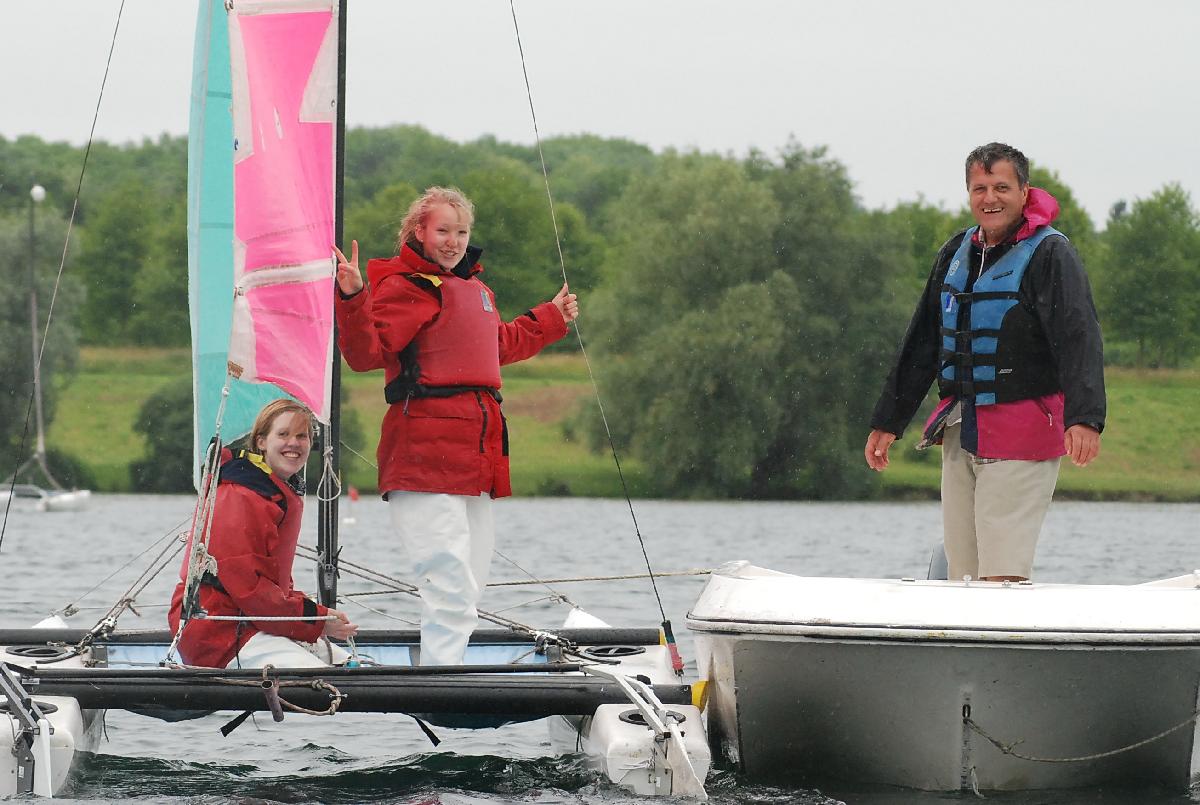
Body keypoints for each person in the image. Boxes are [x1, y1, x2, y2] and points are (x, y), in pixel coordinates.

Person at [333, 186, 578, 665]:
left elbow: (498, 344)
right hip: (423, 456)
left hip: (475, 457)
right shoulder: (404, 287)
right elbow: (364, 353)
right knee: (448, 580)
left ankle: (446, 669)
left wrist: (551, 317)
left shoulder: (475, 290)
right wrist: (353, 294)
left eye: (461, 232)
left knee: (470, 581)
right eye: (443, 231)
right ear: (418, 232)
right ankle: (443, 677)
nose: (453, 242)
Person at [865, 142, 1105, 583]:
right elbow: (922, 342)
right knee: (964, 578)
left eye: (1001, 187)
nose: (990, 198)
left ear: (1024, 191)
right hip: (963, 427)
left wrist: (1085, 417)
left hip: (1024, 431)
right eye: (980, 189)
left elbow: (1079, 338)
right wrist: (888, 420)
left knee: (1001, 577)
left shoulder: (1051, 254)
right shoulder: (955, 252)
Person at [168, 398, 358, 668]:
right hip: (218, 632)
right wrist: (316, 620)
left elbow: (271, 589)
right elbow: (251, 589)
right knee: (320, 677)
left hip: (252, 622)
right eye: (283, 434)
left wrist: (317, 615)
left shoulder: (271, 493)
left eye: (302, 436)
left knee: (350, 667)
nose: (294, 443)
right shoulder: (240, 495)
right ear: (261, 442)